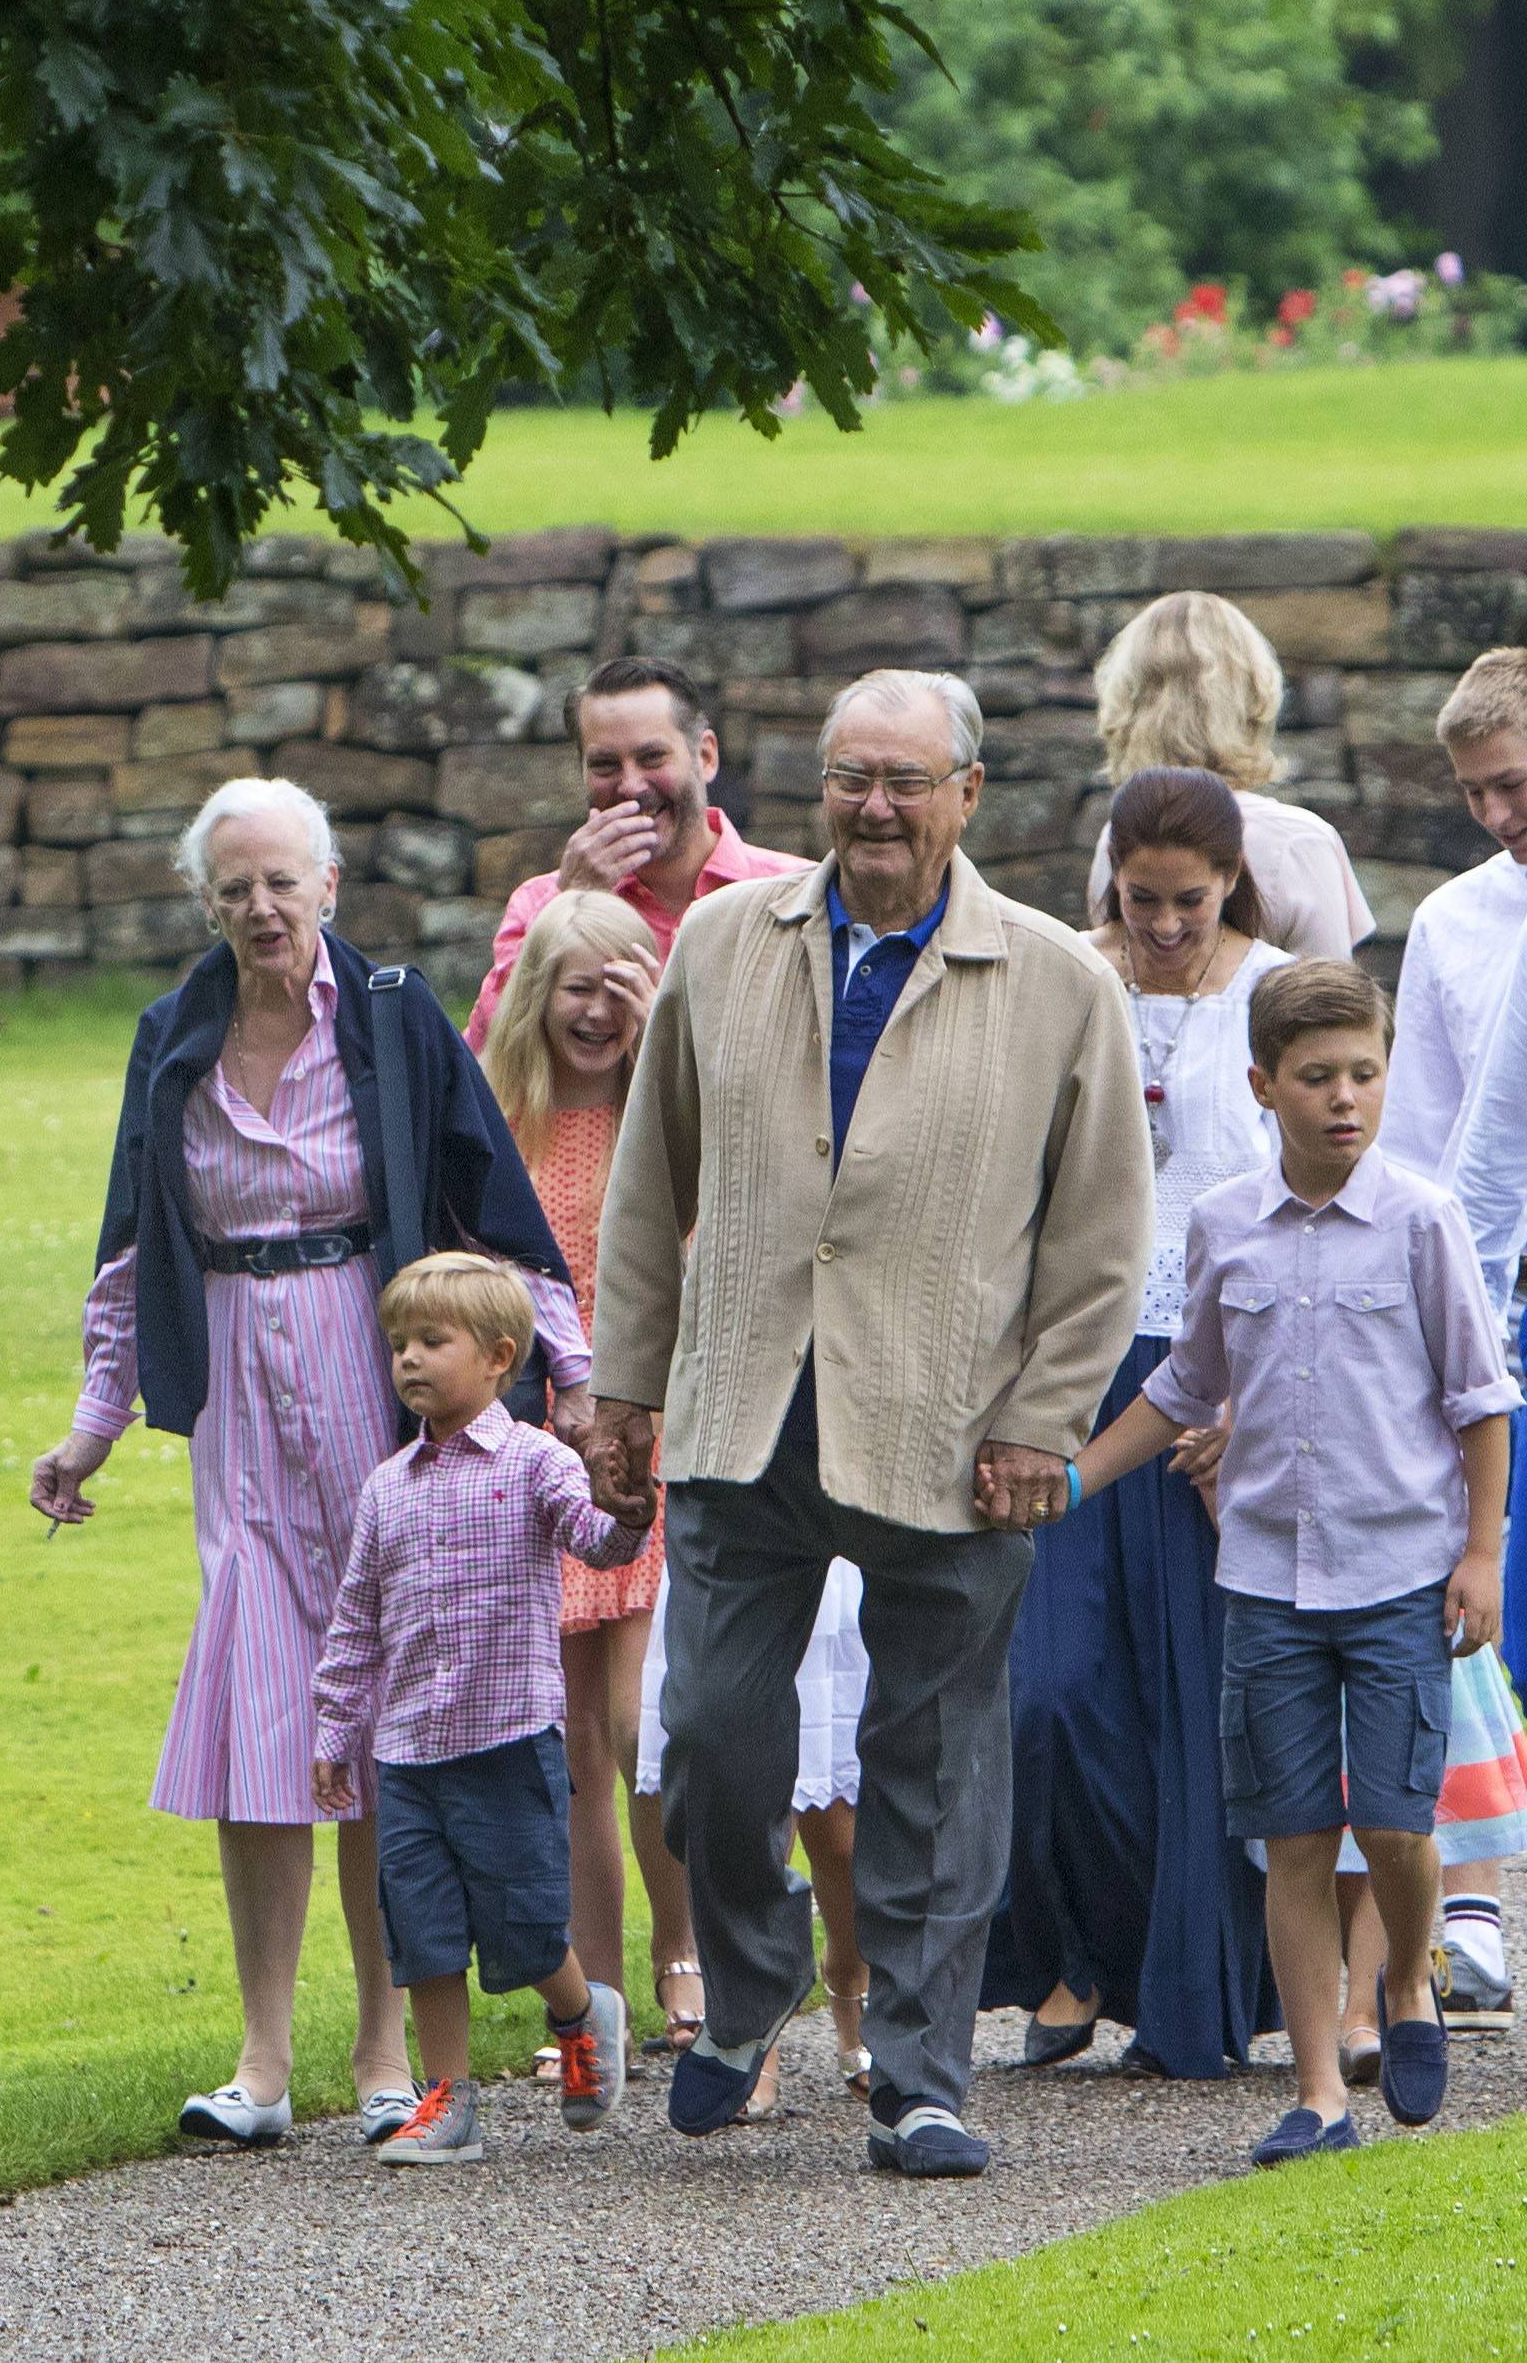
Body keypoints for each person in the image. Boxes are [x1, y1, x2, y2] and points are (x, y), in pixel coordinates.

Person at [588, 666, 1154, 2177]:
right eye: (851, 776)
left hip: (951, 1424)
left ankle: (917, 2072)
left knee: (936, 1757)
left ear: (972, 792)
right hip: (743, 1405)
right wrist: (621, 1390)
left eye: (908, 780)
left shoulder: (1056, 981)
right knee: (702, 1731)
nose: (877, 807)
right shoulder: (723, 941)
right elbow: (648, 1190)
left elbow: (1102, 1245)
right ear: (816, 787)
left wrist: (1046, 1419)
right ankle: (751, 1984)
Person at [29, 778, 594, 2149]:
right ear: (206, 902)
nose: (262, 909)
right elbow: (127, 1252)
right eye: (235, 889)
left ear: (330, 884)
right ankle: (264, 2060)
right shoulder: (175, 1037)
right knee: (257, 1711)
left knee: (383, 1712)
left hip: (373, 1370)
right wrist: (95, 1424)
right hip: (235, 1392)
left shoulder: (396, 1019)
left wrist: (571, 1373)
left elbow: (497, 1212)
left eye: (284, 882)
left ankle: (386, 2043)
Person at [1051, 959, 1519, 2168]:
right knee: (1295, 1835)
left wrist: (1481, 1552)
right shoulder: (1222, 1223)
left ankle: (1406, 1982)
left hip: (1401, 1571)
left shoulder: (1422, 1219)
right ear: (1263, 1086)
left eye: (1364, 1074)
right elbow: (1187, 1387)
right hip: (1264, 1577)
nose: (1345, 1099)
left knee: (1401, 1827)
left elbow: (1480, 1398)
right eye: (1316, 1078)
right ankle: (1319, 2092)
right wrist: (1070, 1482)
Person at [981, 768, 1293, 2080]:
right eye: (1142, 898)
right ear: (1107, 875)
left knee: (1197, 1701)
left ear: (1229, 884)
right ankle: (1077, 1946)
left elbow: (1301, 1196)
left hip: (1227, 1379)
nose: (1166, 925)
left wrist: (1256, 1394)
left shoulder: (1272, 988)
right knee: (1051, 1694)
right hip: (1073, 1363)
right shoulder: (1061, 976)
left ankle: (1191, 1976)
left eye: (1191, 901)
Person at [312, 1253, 648, 2165]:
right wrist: (338, 1727)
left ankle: (583, 2013)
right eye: (397, 1345)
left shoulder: (536, 1461)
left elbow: (596, 1542)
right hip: (411, 1751)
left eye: (432, 1341)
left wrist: (627, 1509)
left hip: (507, 1740)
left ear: (501, 1356)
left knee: (528, 1925)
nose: (409, 1360)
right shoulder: (387, 1487)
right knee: (418, 1932)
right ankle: (446, 2101)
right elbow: (357, 1621)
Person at [481, 890, 706, 2066]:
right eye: (578, 987)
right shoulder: (505, 1121)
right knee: (567, 1746)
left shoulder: (667, 1121)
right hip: (539, 1451)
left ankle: (686, 1956)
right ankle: (594, 2000)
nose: (598, 1013)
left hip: (651, 1440)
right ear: (536, 997)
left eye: (624, 991)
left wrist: (667, 1037)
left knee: (644, 1726)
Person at [1375, 646, 1527, 2028]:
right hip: (1492, 1299)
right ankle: (1469, 1897)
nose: (1500, 814)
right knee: (1478, 1594)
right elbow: (1424, 1134)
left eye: (1516, 783)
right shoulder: (1457, 925)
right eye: (1478, 792)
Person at [463, 654, 805, 1051]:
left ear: (705, 756)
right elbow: (485, 1061)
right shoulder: (540, 903)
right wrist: (568, 908)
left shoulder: (795, 892)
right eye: (606, 765)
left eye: (652, 758)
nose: (631, 786)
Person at [636, 1564, 875, 2111]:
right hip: (733, 1549)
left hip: (827, 1549)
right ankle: (752, 2032)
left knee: (838, 1836)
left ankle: (848, 1975)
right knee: (747, 1807)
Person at [1085, 592, 1375, 959]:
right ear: (1255, 695)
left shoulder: (1116, 835)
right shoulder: (1300, 842)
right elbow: (1331, 997)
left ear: (1126, 704)